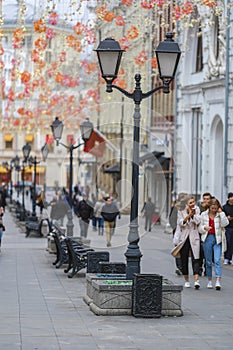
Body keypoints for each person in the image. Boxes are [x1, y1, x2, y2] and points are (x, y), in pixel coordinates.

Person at [199, 198, 229, 290]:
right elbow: (199, 228)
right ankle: (209, 280)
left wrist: (222, 213)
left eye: (216, 208)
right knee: (208, 262)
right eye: (212, 208)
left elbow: (225, 224)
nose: (214, 210)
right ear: (209, 207)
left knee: (217, 260)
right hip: (207, 238)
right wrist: (204, 227)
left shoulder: (220, 215)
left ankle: (218, 281)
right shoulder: (203, 215)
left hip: (218, 239)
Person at [173, 195, 201, 289]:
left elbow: (197, 221)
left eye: (193, 202)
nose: (193, 204)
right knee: (184, 259)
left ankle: (196, 280)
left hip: (194, 237)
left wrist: (192, 215)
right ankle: (187, 280)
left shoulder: (197, 209)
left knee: (196, 258)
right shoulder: (180, 211)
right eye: (191, 203)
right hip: (184, 238)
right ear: (186, 204)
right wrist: (188, 215)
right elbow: (181, 223)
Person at [169, 193, 187, 276]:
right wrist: (174, 228)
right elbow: (171, 218)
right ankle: (180, 267)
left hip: (187, 230)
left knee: (185, 249)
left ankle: (183, 267)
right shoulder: (175, 208)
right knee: (178, 248)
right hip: (178, 231)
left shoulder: (188, 207)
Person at [198, 192, 212, 276]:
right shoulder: (200, 208)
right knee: (200, 251)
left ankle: (207, 269)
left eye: (207, 199)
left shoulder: (213, 207)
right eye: (205, 199)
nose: (206, 201)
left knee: (208, 252)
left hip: (210, 233)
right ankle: (199, 268)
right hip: (201, 231)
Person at [222, 192, 233, 265]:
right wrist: (227, 218)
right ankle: (226, 257)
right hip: (227, 227)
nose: (232, 198)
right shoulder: (224, 207)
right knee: (228, 242)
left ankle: (231, 258)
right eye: (231, 197)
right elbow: (222, 217)